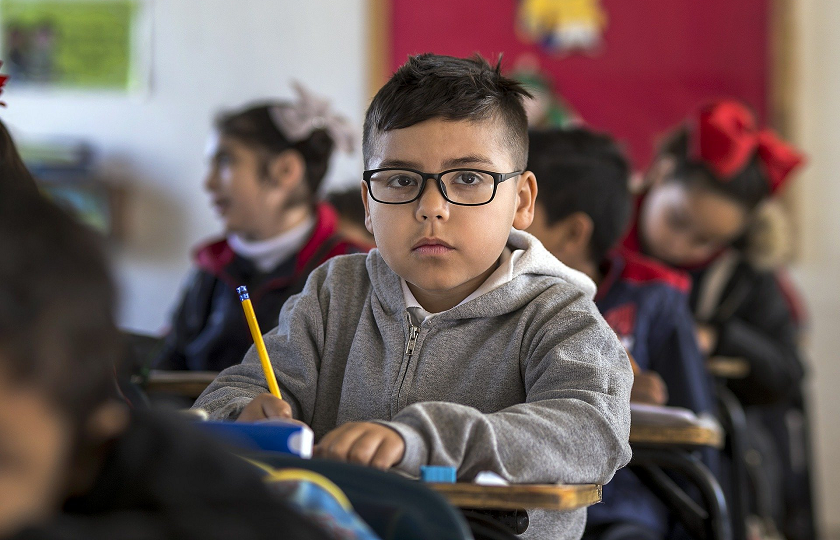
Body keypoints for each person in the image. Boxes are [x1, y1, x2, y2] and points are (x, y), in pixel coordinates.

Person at [194, 53, 633, 540]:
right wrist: (246, 411)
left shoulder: (559, 315)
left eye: (468, 178)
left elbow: (591, 431)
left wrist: (421, 439)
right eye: (401, 181)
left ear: (523, 202)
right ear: (367, 205)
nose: (431, 208)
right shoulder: (334, 292)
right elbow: (229, 393)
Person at [0, 167, 330, 539]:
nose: (207, 182)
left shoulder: (324, 284)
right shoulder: (213, 266)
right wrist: (235, 407)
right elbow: (177, 356)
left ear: (83, 456)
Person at [622, 100, 815, 540]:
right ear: (661, 173)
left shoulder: (741, 275)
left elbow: (788, 373)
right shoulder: (597, 243)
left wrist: (718, 337)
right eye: (677, 221)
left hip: (693, 462)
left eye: (706, 240)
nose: (683, 245)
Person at [526, 128, 716, 540]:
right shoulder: (491, 296)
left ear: (574, 233)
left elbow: (694, 435)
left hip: (619, 507)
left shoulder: (654, 297)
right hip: (517, 502)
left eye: (521, 208)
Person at [155, 83, 369, 372]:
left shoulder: (353, 271)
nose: (208, 182)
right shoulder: (210, 268)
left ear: (286, 171)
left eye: (225, 161)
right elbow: (167, 368)